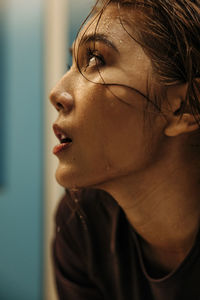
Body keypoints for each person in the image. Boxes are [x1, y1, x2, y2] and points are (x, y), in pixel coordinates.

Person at [49, 0, 200, 299]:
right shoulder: (81, 224)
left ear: (184, 107)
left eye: (94, 59)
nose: (57, 93)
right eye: (71, 64)